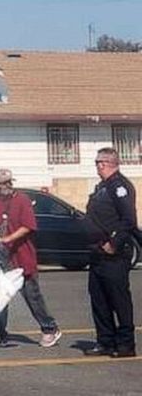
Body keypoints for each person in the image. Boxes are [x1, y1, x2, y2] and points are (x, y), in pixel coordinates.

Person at [0, 168, 62, 348]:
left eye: (10, 182)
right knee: (0, 297)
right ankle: (0, 333)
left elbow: (28, 226)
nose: (7, 186)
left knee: (32, 296)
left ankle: (50, 329)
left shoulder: (22, 199)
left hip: (23, 256)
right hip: (1, 258)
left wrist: (8, 239)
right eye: (3, 183)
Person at [84, 148, 137, 358]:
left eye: (99, 162)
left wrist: (114, 243)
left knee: (118, 300)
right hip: (97, 252)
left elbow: (128, 220)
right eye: (96, 162)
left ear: (108, 163)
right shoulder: (102, 187)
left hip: (114, 254)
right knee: (99, 299)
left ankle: (125, 344)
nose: (97, 165)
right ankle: (105, 341)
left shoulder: (120, 186)